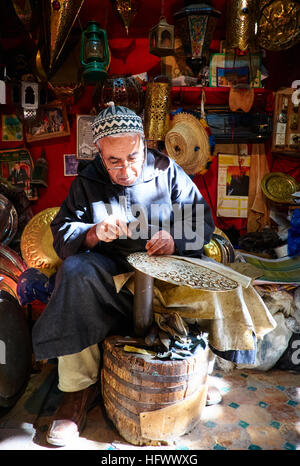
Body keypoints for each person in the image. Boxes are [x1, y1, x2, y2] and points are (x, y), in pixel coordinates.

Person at [32, 103, 215, 446]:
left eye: (132, 157)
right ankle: (77, 391)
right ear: (99, 153)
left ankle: (197, 374)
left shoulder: (168, 171)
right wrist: (93, 232)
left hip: (162, 278)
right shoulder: (88, 181)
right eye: (113, 161)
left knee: (218, 279)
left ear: (144, 144)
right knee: (74, 273)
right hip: (111, 281)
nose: (125, 169)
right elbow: (62, 233)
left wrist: (174, 239)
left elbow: (203, 222)